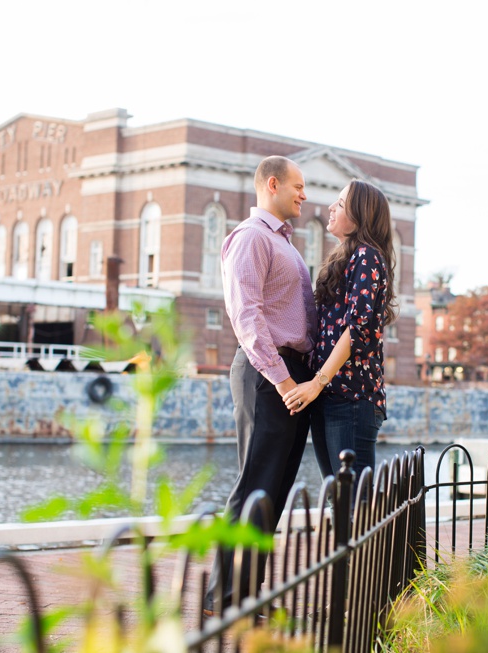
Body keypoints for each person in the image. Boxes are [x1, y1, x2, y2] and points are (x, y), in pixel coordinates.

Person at [203, 155, 318, 615]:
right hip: (267, 376)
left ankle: (249, 594)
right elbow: (246, 315)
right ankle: (223, 596)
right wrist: (285, 379)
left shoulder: (283, 243)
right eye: (298, 186)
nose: (304, 195)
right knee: (255, 484)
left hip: (288, 377)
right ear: (273, 184)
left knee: (273, 487)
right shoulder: (251, 238)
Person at [282, 179, 397, 486]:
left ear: (360, 216)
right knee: (340, 500)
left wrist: (316, 384)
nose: (331, 207)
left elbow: (356, 329)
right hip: (331, 396)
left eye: (341, 204)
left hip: (351, 398)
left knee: (353, 505)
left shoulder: (367, 256)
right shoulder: (346, 257)